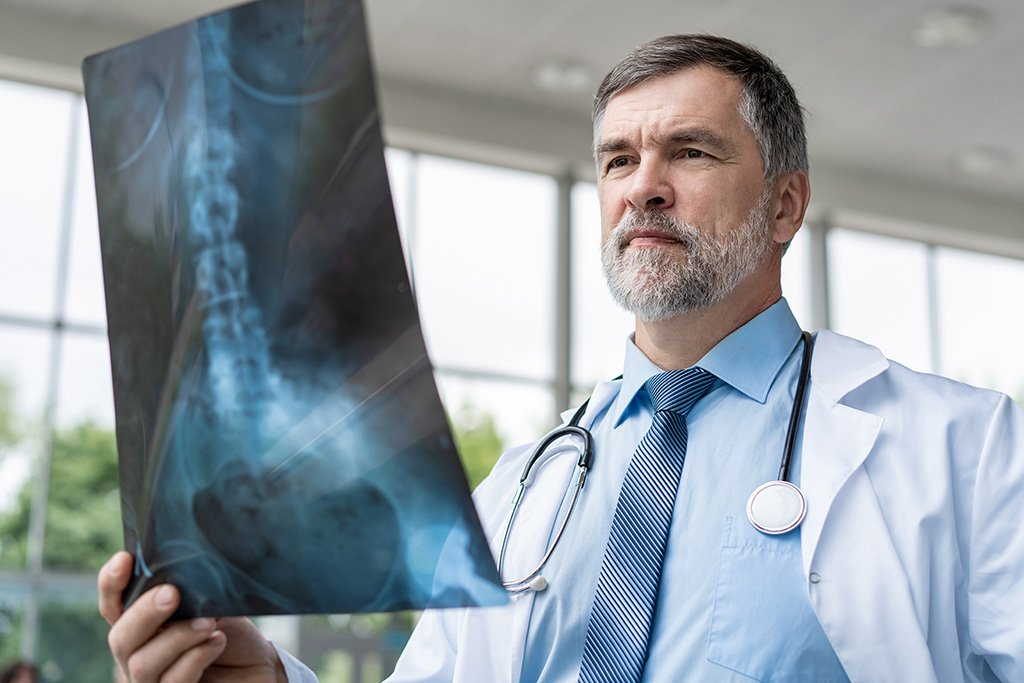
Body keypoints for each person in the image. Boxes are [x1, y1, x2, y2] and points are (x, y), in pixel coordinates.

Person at [99, 34, 1024, 682]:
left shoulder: (967, 449)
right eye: (617, 161)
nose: (644, 188)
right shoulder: (520, 489)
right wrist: (263, 676)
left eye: (689, 151)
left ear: (786, 207)